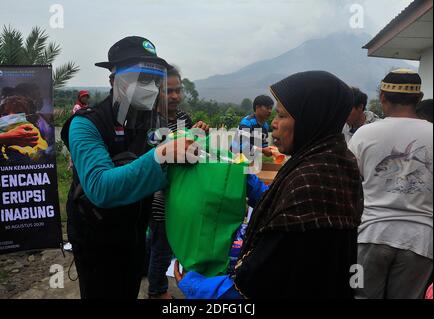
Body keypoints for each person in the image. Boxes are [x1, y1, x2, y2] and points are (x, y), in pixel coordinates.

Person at [175, 71, 364, 299]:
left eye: (282, 116)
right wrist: (238, 176)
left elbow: (259, 281)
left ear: (310, 118)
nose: (274, 124)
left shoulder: (308, 182)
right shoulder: (336, 163)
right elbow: (275, 200)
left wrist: (196, 286)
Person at [60, 36, 195, 299]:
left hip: (134, 233)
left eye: (155, 80)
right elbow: (100, 187)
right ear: (114, 80)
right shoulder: (86, 124)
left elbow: (168, 171)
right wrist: (160, 156)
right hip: (95, 237)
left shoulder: (153, 121)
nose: (150, 87)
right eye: (140, 79)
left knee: (129, 289)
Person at [349, 69, 433, 299]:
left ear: (382, 98)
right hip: (421, 243)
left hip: (369, 236)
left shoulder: (363, 134)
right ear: (419, 98)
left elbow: (348, 186)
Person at [147, 66, 208, 299]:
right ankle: (157, 291)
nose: (175, 96)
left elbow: (193, 151)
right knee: (162, 246)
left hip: (181, 192)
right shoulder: (151, 121)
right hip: (160, 195)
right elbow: (154, 156)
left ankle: (154, 276)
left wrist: (200, 133)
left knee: (165, 243)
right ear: (156, 92)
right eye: (168, 91)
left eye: (178, 90)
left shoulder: (183, 118)